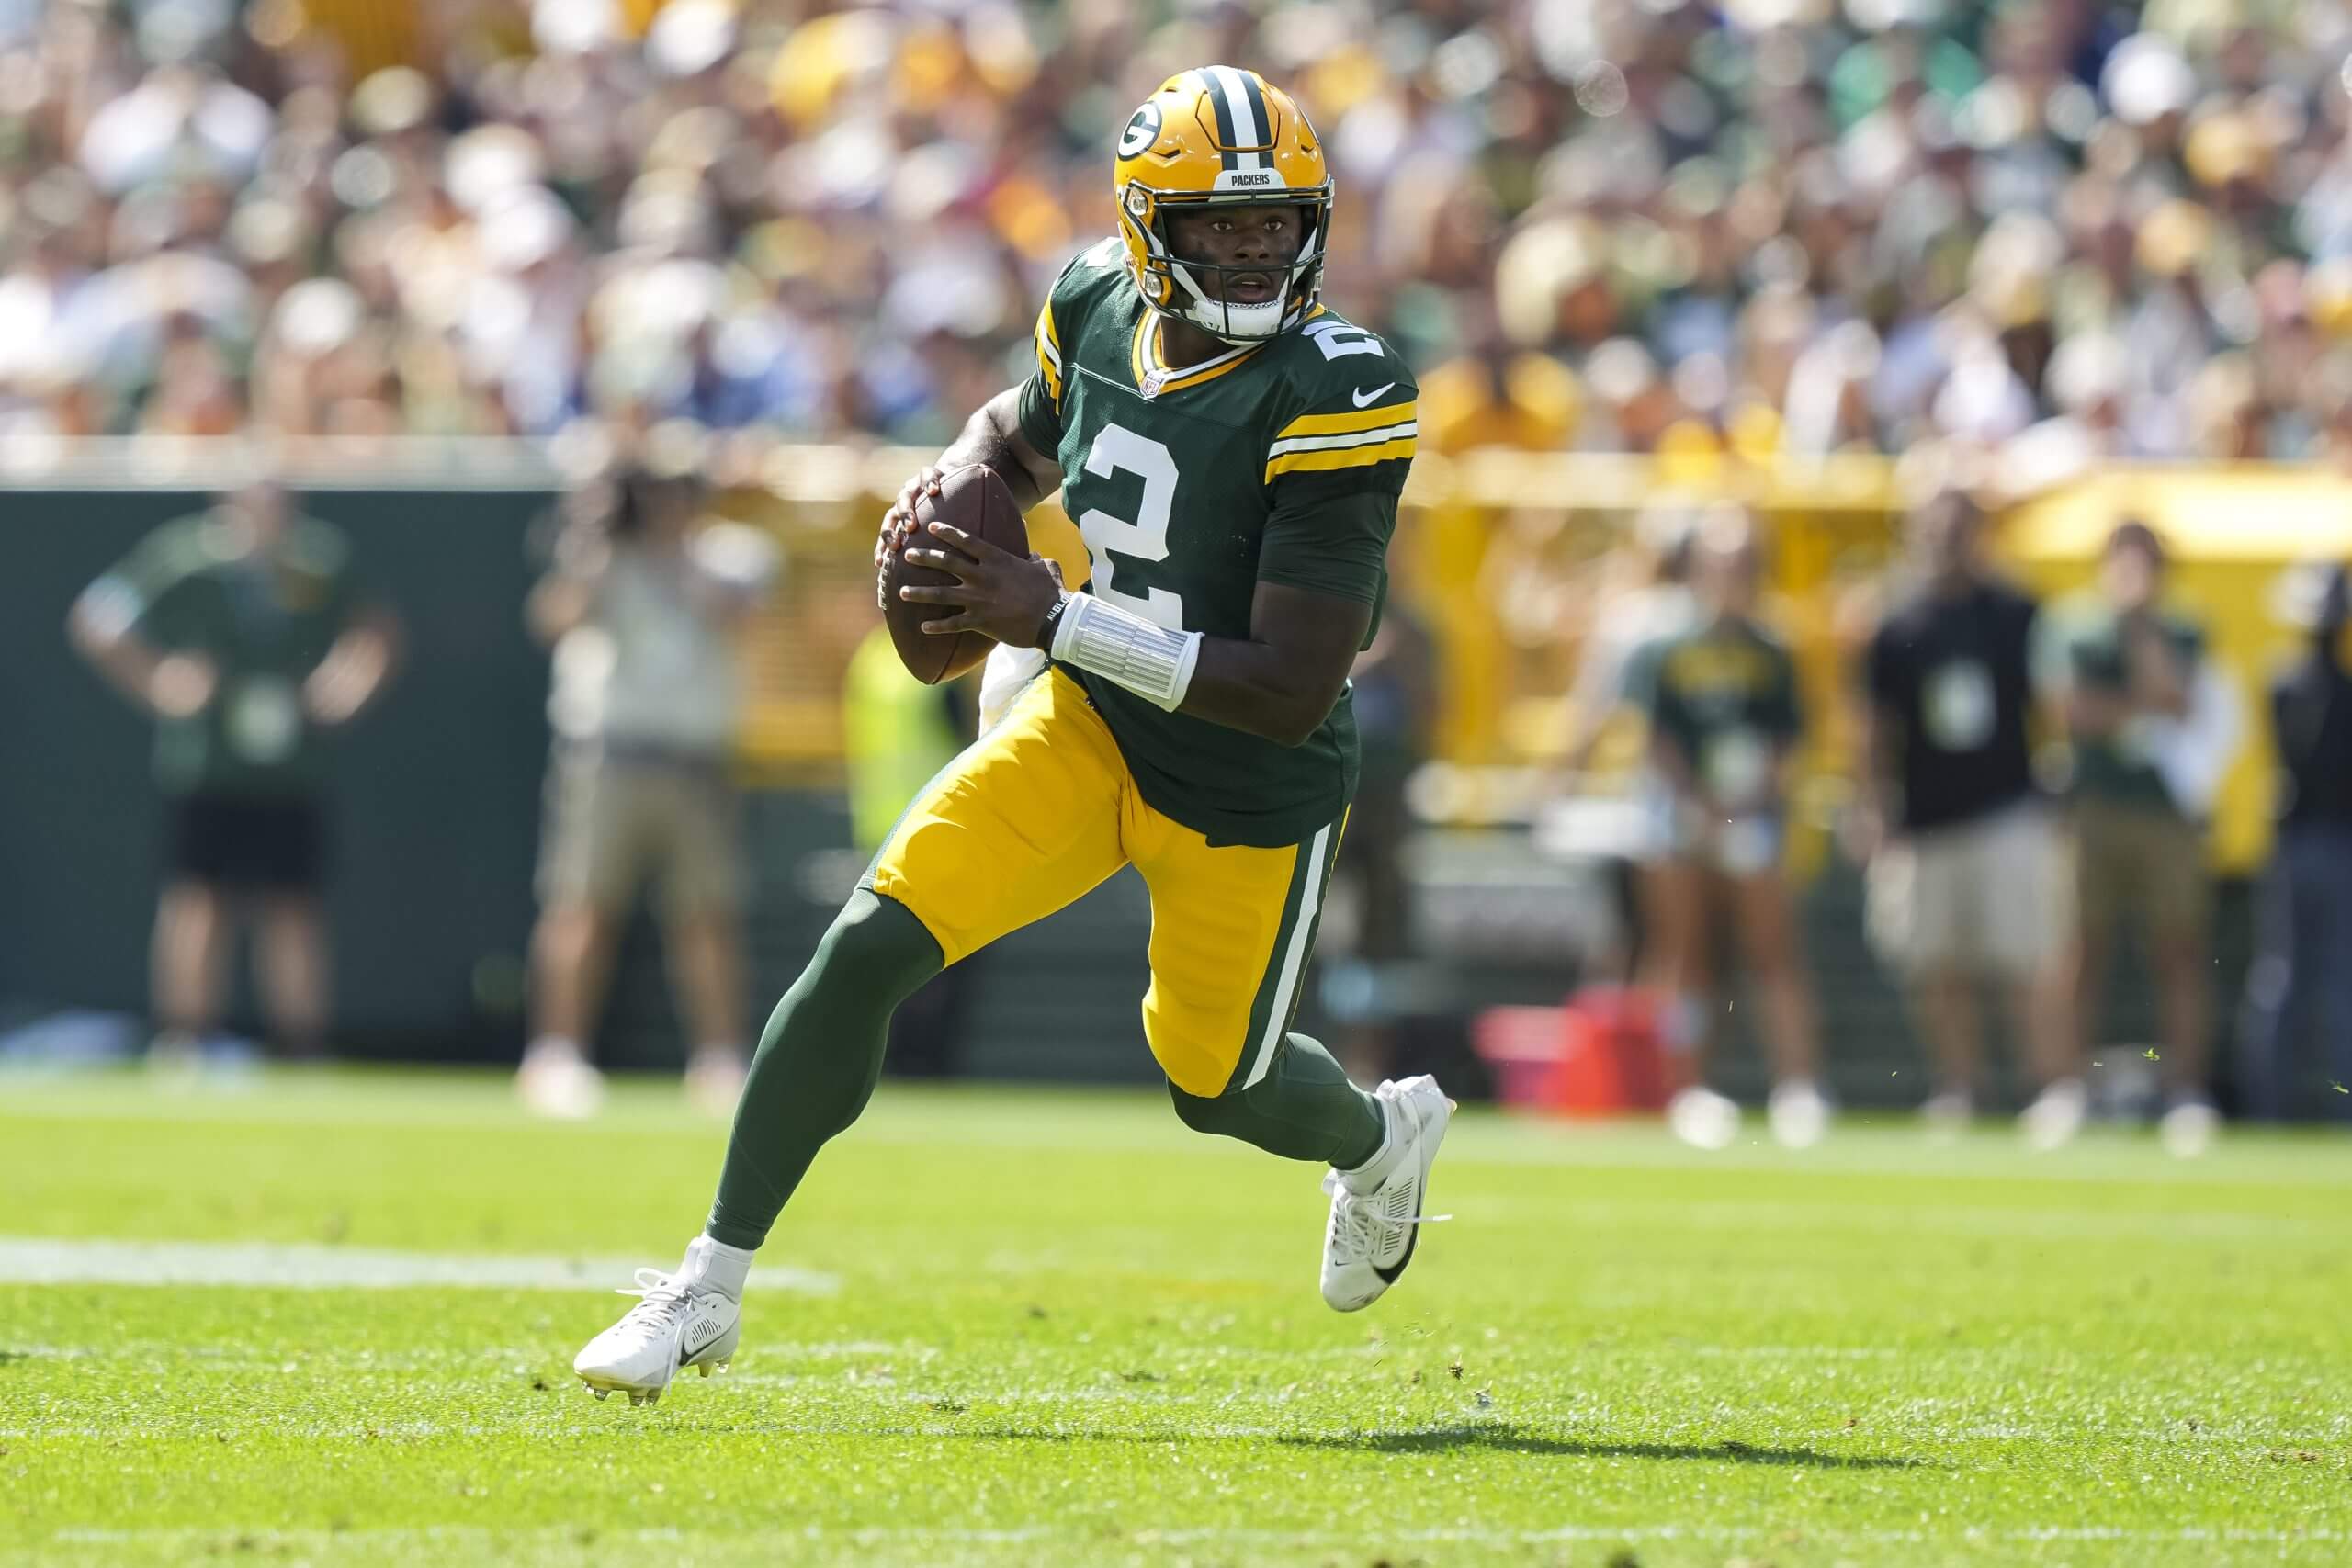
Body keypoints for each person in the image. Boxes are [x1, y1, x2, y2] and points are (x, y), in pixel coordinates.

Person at [572, 68, 1451, 1404]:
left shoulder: (1340, 386)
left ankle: (1378, 1137)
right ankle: (707, 1282)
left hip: (1248, 778)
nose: (1251, 250)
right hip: (1091, 729)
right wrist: (951, 491)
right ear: (1152, 229)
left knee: (1217, 1084)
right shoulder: (1097, 298)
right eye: (1217, 227)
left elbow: (1286, 681)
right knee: (869, 942)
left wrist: (1053, 612)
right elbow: (1010, 436)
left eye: (1274, 225)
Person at [68, 458, 398, 1068]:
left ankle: (300, 1045)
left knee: (292, 905)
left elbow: (375, 631)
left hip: (293, 766)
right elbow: (98, 617)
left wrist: (344, 684)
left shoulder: (319, 559)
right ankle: (185, 1040)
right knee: (199, 898)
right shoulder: (184, 556)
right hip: (208, 763)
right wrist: (159, 680)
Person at [518, 446, 778, 1119]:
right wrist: (593, 539)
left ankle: (719, 1059)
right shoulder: (605, 555)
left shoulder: (728, 552)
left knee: (705, 915)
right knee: (581, 907)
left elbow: (736, 612)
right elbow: (553, 619)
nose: (665, 502)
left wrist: (672, 549)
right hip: (610, 755)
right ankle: (555, 1053)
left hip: (695, 760)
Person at [1852, 491, 2072, 1135]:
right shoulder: (1895, 623)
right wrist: (1872, 805)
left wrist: (2058, 785)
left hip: (2007, 808)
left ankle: (2049, 1086)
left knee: (2024, 959)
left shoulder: (2015, 611)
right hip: (1926, 816)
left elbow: (2050, 706)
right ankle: (1961, 1086)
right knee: (1936, 965)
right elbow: (1874, 726)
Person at [2032, 521, 2238, 1155]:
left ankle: (2186, 1090)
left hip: (2164, 813)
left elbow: (2178, 700)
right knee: (2080, 950)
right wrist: (2140, 704)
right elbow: (2071, 712)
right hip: (2094, 809)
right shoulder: (2071, 624)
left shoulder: (2181, 627)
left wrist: (2141, 633)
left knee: (2178, 950)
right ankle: (2065, 1087)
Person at [1632, 510, 1828, 1150]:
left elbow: (1788, 740)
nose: (1730, 576)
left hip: (1751, 816)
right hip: (1683, 816)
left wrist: (1747, 800)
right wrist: (1700, 802)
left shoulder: (1772, 650)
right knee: (1685, 955)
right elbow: (1655, 738)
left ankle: (1797, 1085)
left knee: (1774, 952)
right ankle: (1687, 1087)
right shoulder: (1666, 646)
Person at [2236, 558, 2352, 1122]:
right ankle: (2277, 1105)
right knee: (2305, 978)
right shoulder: (2290, 684)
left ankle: (2302, 1106)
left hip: (2318, 844)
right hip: (2315, 844)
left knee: (2309, 978)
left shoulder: (2287, 681)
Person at [841, 621, 975, 1078]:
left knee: (888, 963)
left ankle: (886, 1066)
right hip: (938, 829)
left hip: (877, 832)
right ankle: (923, 1069)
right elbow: (972, 744)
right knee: (939, 964)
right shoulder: (943, 659)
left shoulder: (871, 657)